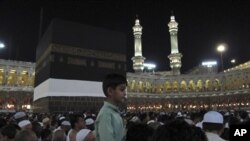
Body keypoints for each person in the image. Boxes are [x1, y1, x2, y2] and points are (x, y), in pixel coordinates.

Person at [95, 73, 127, 141]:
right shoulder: (106, 114)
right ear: (110, 91)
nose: (125, 93)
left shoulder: (114, 112)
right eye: (122, 90)